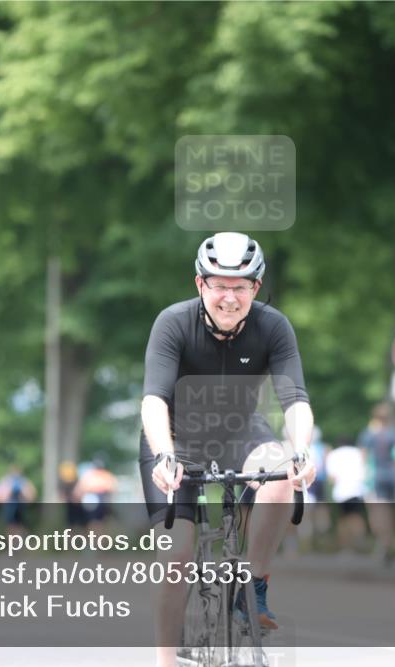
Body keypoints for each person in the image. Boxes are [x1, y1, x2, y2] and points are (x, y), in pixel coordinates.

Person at [139, 232, 316, 667]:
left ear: (256, 288)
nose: (230, 297)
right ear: (200, 284)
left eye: (240, 287)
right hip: (176, 437)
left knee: (279, 474)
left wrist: (302, 451)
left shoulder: (273, 326)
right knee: (177, 553)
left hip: (240, 432)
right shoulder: (173, 322)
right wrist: (165, 453)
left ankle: (251, 590)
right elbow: (153, 399)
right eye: (219, 285)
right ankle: (165, 662)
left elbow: (295, 400)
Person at [356, 402, 395, 565]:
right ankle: (387, 543)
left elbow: (363, 457)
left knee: (377, 512)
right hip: (392, 477)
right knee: (389, 511)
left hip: (375, 478)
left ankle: (383, 544)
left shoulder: (369, 434)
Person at [325, 438, 368, 555]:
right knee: (356, 517)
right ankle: (360, 544)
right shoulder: (358, 453)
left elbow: (331, 477)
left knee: (343, 519)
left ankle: (345, 547)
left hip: (341, 491)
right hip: (357, 489)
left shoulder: (334, 454)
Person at [75, 458, 118, 536]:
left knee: (97, 522)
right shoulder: (90, 475)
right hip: (93, 500)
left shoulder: (104, 475)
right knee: (94, 522)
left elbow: (113, 489)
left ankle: (98, 541)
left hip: (100, 500)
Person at [0, 464, 36, 535]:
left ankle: (22, 541)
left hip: (20, 506)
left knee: (21, 525)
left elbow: (31, 492)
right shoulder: (5, 481)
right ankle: (13, 542)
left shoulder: (23, 481)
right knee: (11, 525)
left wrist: (26, 499)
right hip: (9, 506)